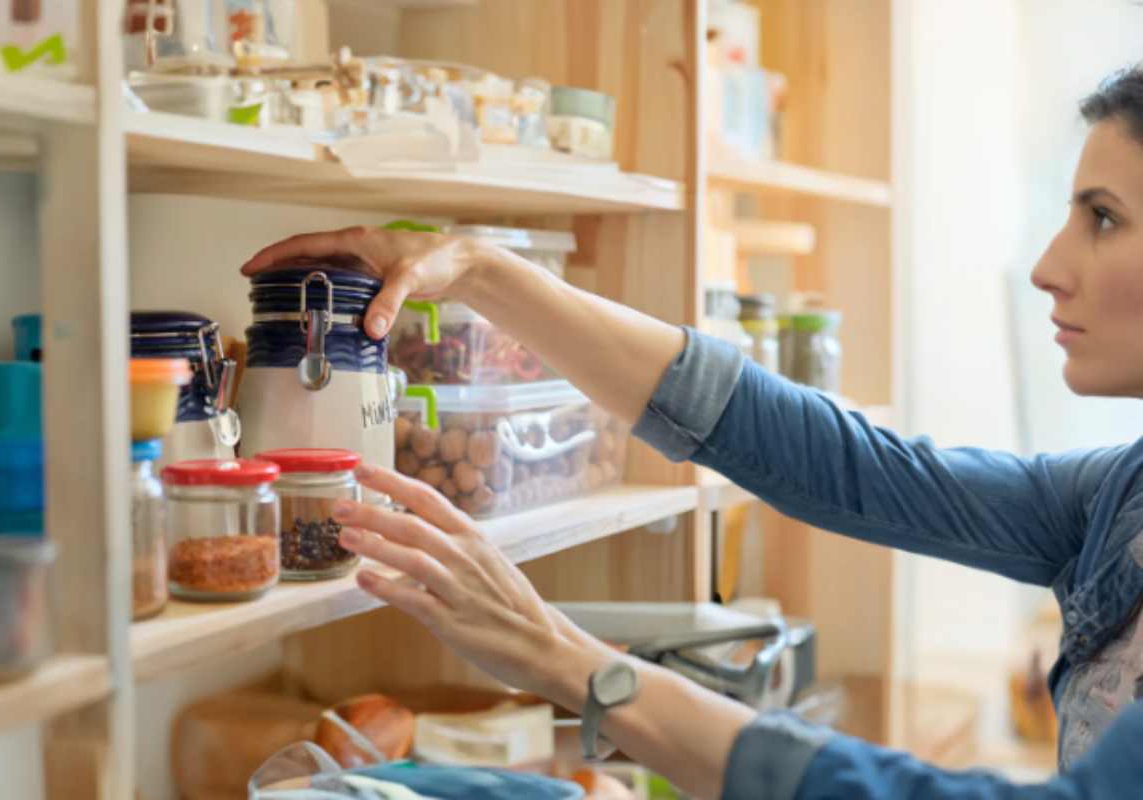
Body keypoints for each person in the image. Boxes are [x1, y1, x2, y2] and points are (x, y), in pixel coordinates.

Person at [239, 68, 1143, 799]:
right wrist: (481, 271)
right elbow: (850, 465)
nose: (1047, 266)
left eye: (1102, 219)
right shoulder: (1120, 495)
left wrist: (564, 659)